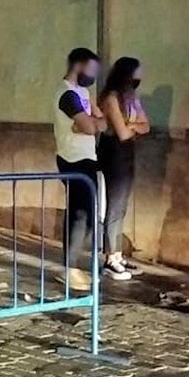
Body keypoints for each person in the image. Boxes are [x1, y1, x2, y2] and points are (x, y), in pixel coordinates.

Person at [54, 48, 106, 291]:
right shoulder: (67, 95)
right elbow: (89, 125)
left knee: (88, 215)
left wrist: (89, 124)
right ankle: (69, 268)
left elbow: (100, 122)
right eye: (91, 69)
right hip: (73, 160)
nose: (93, 75)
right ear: (78, 65)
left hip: (88, 158)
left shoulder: (84, 93)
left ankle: (76, 266)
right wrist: (87, 125)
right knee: (78, 215)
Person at [97, 57, 150, 280]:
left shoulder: (131, 97)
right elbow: (123, 133)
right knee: (114, 206)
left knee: (122, 207)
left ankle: (117, 254)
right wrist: (132, 125)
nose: (139, 78)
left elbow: (146, 126)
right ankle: (110, 257)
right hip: (113, 153)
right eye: (136, 73)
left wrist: (132, 125)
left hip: (127, 153)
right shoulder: (110, 98)